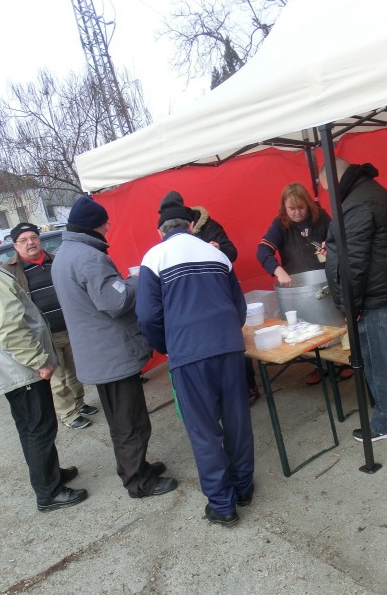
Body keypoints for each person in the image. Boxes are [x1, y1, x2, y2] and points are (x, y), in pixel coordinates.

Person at [0, 215, 87, 512]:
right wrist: (39, 361)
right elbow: (11, 328)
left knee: (32, 427)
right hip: (21, 370)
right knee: (38, 428)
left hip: (13, 367)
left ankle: (49, 476)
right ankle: (49, 492)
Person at [137, 195, 255, 527]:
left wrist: (169, 346)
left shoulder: (154, 257)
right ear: (191, 226)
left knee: (204, 432)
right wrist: (227, 334)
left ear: (161, 230)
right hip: (229, 348)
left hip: (189, 355)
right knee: (237, 423)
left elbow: (147, 316)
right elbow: (239, 307)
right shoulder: (216, 254)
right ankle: (243, 488)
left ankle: (223, 504)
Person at [51, 196, 177, 499]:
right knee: (130, 422)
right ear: (94, 225)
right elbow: (115, 301)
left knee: (122, 420)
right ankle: (138, 482)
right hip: (112, 354)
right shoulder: (89, 257)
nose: (108, 227)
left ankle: (138, 468)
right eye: (105, 222)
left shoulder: (63, 254)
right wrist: (135, 280)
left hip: (97, 353)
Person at [321, 158, 387, 443]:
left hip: (374, 295)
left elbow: (352, 262)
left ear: (337, 180)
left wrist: (348, 304)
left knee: (379, 358)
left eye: (329, 189)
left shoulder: (356, 203)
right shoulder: (375, 191)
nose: (329, 196)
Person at [158, 191, 260, 405]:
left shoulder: (208, 226)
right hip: (191, 301)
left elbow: (232, 252)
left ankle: (248, 386)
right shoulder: (168, 236)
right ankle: (218, 394)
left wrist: (218, 248)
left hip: (217, 292)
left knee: (232, 339)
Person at [2, 222, 97, 429]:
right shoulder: (10, 270)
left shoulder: (55, 261)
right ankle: (69, 414)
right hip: (45, 334)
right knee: (58, 377)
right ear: (16, 246)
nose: (30, 243)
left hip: (70, 327)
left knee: (75, 371)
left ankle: (79, 403)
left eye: (33, 238)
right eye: (24, 240)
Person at [257, 182, 347, 385]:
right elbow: (262, 251)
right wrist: (278, 270)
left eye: (301, 207)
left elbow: (338, 242)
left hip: (326, 280)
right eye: (292, 209)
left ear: (308, 204)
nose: (297, 213)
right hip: (298, 287)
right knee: (307, 327)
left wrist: (329, 249)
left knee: (334, 321)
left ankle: (342, 363)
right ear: (284, 207)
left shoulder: (321, 217)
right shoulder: (280, 224)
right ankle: (321, 365)